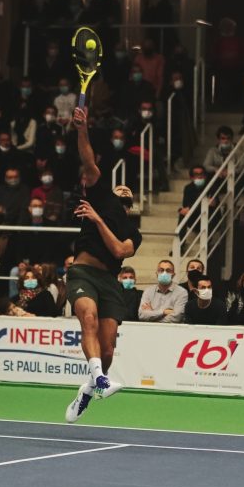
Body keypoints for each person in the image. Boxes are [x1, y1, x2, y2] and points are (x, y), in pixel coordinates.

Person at [64, 107, 142, 423]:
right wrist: (82, 129)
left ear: (129, 205)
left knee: (107, 350)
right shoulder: (101, 197)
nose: (120, 196)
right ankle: (100, 380)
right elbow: (88, 161)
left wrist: (98, 221)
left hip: (109, 282)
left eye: (126, 197)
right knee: (89, 317)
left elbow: (120, 251)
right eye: (118, 192)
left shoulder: (132, 232)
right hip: (82, 273)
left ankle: (88, 389)